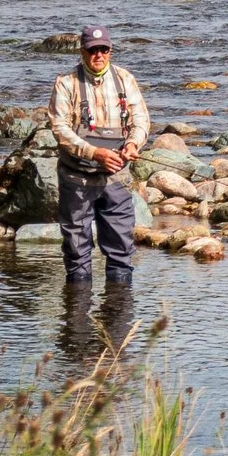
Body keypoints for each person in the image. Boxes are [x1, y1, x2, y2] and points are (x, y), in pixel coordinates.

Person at [49, 24, 150, 285]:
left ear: (110, 50)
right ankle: (77, 321)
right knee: (77, 254)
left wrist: (132, 145)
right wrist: (95, 153)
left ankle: (118, 318)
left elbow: (141, 121)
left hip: (116, 179)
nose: (99, 56)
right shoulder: (66, 83)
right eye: (93, 50)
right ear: (82, 52)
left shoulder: (125, 80)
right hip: (77, 179)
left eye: (104, 50)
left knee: (120, 253)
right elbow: (59, 129)